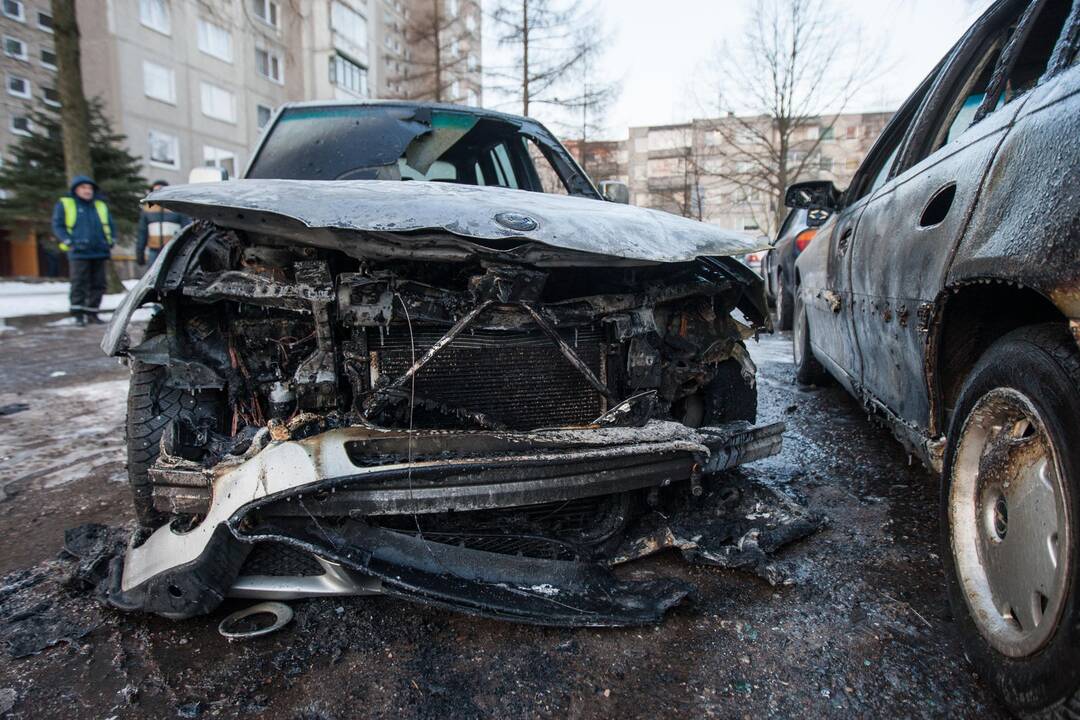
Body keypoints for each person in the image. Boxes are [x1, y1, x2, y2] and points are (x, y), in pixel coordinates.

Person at [51, 175, 116, 326]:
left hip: (99, 250)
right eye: (83, 188)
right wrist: (68, 241)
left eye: (89, 188)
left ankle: (92, 313)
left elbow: (110, 225)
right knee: (79, 282)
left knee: (99, 284)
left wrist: (111, 240)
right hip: (79, 251)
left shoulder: (100, 205)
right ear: (76, 190)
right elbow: (58, 225)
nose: (87, 191)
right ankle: (78, 314)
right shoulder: (66, 203)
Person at [136, 180, 189, 267]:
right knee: (152, 276)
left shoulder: (177, 208)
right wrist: (140, 252)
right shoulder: (147, 209)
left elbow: (186, 228)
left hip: (173, 250)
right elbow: (142, 232)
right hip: (154, 251)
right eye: (155, 190)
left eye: (161, 190)